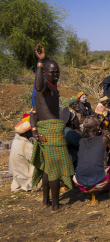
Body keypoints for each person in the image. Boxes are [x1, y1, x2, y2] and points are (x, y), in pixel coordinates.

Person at [30, 44, 74, 213]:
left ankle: (45, 201)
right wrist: (40, 62)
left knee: (48, 168)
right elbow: (39, 85)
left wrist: (34, 131)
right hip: (51, 132)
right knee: (55, 169)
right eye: (52, 71)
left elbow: (33, 113)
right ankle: (55, 205)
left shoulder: (52, 88)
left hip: (47, 131)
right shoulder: (44, 87)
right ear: (45, 73)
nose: (55, 74)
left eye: (57, 71)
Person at [74, 117, 110, 197]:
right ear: (98, 127)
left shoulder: (81, 141)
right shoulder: (104, 139)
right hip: (100, 182)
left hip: (81, 184)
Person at [10, 114, 38, 192]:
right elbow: (35, 159)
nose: (32, 132)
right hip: (26, 177)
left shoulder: (16, 141)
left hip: (17, 176)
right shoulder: (26, 144)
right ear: (26, 133)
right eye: (30, 131)